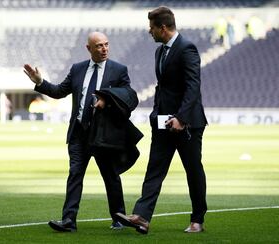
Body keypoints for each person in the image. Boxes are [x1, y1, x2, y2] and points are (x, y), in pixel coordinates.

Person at [24, 31, 134, 232]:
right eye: (99, 46)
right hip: (79, 134)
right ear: (88, 48)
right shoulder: (77, 69)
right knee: (75, 175)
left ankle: (118, 218)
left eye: (106, 45)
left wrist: (107, 100)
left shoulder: (119, 70)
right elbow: (58, 91)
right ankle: (68, 221)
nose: (104, 49)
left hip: (103, 135)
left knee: (110, 176)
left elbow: (128, 96)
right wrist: (40, 82)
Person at [116, 6, 208, 234]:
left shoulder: (187, 48)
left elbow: (193, 87)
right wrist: (156, 114)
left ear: (163, 28)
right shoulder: (160, 52)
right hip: (163, 123)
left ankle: (198, 220)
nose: (150, 32)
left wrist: (181, 118)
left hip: (186, 125)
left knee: (193, 170)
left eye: (152, 28)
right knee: (154, 169)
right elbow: (163, 88)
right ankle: (142, 217)